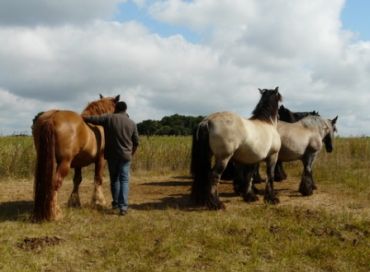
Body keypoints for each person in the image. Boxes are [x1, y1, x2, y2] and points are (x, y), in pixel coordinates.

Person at [83, 101, 139, 216]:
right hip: (125, 156)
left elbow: (93, 119)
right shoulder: (132, 123)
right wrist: (131, 153)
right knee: (124, 180)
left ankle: (116, 203)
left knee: (114, 180)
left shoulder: (108, 118)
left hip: (112, 156)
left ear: (115, 108)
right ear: (125, 109)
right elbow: (136, 142)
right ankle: (123, 207)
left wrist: (82, 117)